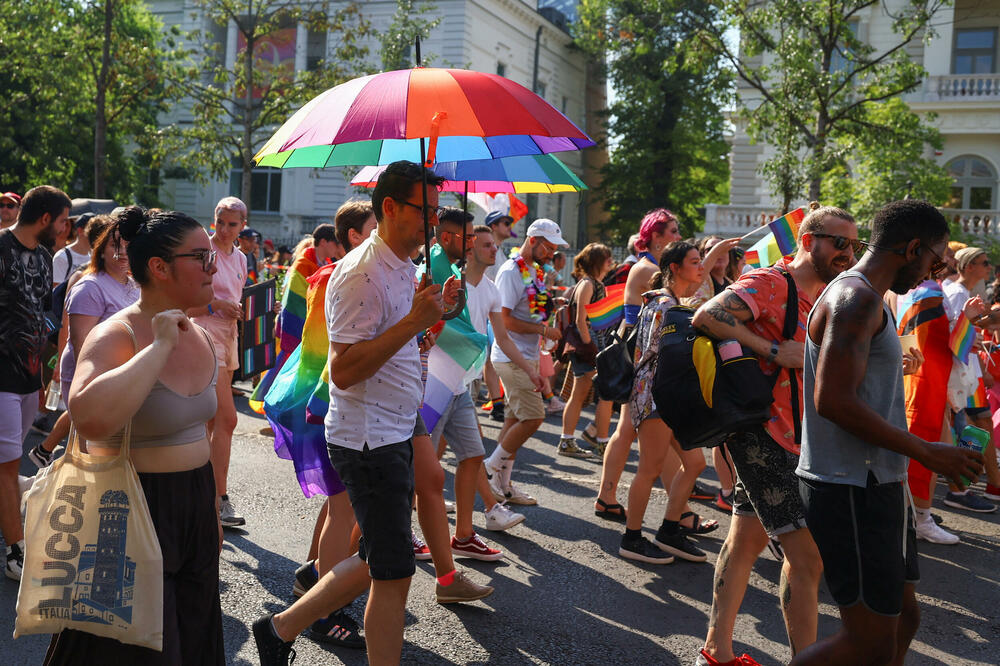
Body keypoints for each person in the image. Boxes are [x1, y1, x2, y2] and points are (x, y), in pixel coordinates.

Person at [252, 161, 472, 666]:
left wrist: (436, 312)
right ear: (389, 207)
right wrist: (415, 319)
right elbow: (345, 369)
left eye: (436, 213)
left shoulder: (404, 266)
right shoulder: (360, 272)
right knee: (394, 574)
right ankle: (286, 630)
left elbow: (397, 341)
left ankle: (280, 629)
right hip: (368, 439)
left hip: (395, 427)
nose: (433, 224)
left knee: (378, 558)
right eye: (425, 211)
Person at [792, 199, 985, 666]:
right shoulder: (854, 298)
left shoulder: (868, 298)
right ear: (912, 247)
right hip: (847, 487)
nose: (933, 274)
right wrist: (927, 451)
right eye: (934, 261)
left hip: (878, 482)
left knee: (904, 619)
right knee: (867, 641)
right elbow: (833, 401)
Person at [46, 206, 225, 664]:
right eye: (201, 257)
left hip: (195, 506)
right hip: (131, 508)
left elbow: (211, 429)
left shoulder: (202, 335)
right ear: (160, 268)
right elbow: (88, 417)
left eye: (212, 256)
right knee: (133, 650)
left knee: (192, 637)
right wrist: (159, 345)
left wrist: (212, 507)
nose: (214, 266)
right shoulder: (117, 332)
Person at [692, 204, 858, 665]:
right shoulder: (771, 282)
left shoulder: (830, 292)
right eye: (839, 242)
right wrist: (771, 349)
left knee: (744, 539)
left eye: (855, 245)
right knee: (808, 559)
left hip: (801, 435)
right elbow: (707, 315)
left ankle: (716, 650)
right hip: (764, 432)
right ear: (808, 240)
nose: (849, 253)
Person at [427, 213, 537, 563]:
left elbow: (500, 337)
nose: (491, 249)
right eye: (484, 243)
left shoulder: (488, 290)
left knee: (472, 457)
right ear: (465, 245)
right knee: (423, 465)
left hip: (462, 385)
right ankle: (392, 534)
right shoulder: (444, 277)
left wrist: (529, 369)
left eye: (492, 244)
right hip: (434, 383)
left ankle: (464, 535)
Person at [619, 240, 716, 565]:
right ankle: (632, 538)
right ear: (674, 268)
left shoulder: (673, 302)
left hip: (667, 397)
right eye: (694, 261)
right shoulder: (664, 305)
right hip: (656, 396)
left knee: (696, 464)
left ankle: (670, 530)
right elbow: (654, 357)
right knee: (649, 468)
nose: (700, 267)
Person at [28, 217, 139, 468]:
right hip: (92, 378)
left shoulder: (134, 286)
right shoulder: (90, 286)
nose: (121, 252)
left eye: (127, 245)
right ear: (101, 249)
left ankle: (52, 480)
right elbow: (81, 344)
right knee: (90, 455)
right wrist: (91, 386)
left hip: (121, 377)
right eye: (114, 245)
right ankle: (49, 493)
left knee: (100, 455)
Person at [0, 185, 70, 580]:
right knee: (7, 465)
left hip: (30, 377)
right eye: (61, 221)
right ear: (45, 219)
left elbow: (43, 315)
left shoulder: (45, 257)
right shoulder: (0, 248)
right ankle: (16, 551)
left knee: (7, 462)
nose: (63, 229)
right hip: (1, 377)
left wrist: (49, 369)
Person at [593, 208, 681, 522]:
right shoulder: (647, 269)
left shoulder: (651, 266)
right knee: (648, 431)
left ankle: (608, 496)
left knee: (633, 430)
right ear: (655, 237)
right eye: (673, 231)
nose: (678, 236)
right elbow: (680, 299)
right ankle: (677, 509)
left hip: (644, 357)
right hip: (642, 358)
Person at [483, 219, 569, 507]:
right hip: (511, 356)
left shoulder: (534, 271)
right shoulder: (510, 271)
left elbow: (529, 310)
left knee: (514, 420)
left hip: (526, 354)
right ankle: (489, 467)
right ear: (533, 241)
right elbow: (504, 320)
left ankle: (503, 485)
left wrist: (549, 309)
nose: (552, 254)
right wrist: (543, 329)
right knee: (533, 418)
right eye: (549, 247)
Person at [190, 196, 247, 528]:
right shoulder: (204, 253)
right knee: (226, 420)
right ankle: (218, 498)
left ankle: (207, 495)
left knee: (213, 424)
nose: (224, 229)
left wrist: (238, 311)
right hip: (204, 338)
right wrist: (216, 307)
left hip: (228, 339)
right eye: (220, 222)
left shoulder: (240, 257)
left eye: (232, 224)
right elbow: (186, 303)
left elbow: (234, 300)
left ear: (242, 225)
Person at [937, 246, 999, 512]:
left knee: (975, 428)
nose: (989, 268)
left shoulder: (964, 293)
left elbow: (965, 334)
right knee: (970, 429)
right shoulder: (954, 292)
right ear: (969, 266)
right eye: (984, 263)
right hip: (960, 373)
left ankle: (983, 485)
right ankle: (961, 488)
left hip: (968, 372)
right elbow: (953, 337)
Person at [558, 243, 615, 458]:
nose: (610, 261)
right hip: (589, 345)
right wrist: (591, 348)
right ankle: (592, 442)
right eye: (606, 258)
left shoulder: (595, 283)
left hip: (594, 344)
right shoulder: (588, 284)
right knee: (589, 394)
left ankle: (583, 441)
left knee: (589, 395)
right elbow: (581, 320)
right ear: (596, 261)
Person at [482, 210, 517, 420]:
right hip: (486, 310)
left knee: (493, 358)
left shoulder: (500, 252)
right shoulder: (485, 251)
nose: (509, 226)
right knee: (489, 358)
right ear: (494, 226)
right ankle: (496, 403)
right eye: (505, 222)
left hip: (495, 311)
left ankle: (497, 401)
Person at [51, 213, 94, 287]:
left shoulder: (94, 256)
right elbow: (56, 291)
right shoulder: (62, 257)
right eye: (93, 230)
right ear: (80, 231)